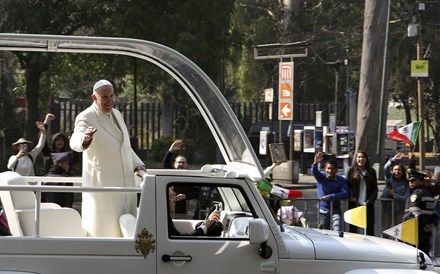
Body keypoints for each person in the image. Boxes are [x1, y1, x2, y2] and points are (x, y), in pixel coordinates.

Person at [69, 79, 146, 237]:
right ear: (94, 97)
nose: (109, 100)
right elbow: (75, 140)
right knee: (106, 233)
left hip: (126, 186)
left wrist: (138, 165)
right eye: (104, 97)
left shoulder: (117, 114)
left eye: (111, 96)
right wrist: (86, 139)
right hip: (105, 190)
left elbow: (124, 146)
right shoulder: (86, 116)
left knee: (128, 232)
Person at [403, 169, 437, 257]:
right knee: (424, 254)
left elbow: (415, 213)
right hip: (426, 230)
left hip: (415, 230)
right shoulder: (428, 194)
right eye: (410, 181)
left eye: (413, 180)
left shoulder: (416, 194)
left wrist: (424, 225)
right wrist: (430, 224)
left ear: (421, 181)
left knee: (412, 255)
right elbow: (433, 213)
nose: (411, 183)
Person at [312, 152, 349, 231]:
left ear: (336, 170)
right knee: (324, 232)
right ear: (325, 169)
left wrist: (331, 197)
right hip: (323, 211)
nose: (330, 171)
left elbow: (345, 193)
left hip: (335, 210)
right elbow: (314, 172)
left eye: (332, 169)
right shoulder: (321, 177)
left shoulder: (340, 180)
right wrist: (315, 163)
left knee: (337, 229)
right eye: (328, 168)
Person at [163, 139, 200, 219]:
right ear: (174, 164)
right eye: (179, 162)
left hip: (185, 211)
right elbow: (165, 164)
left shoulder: (190, 178)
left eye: (183, 162)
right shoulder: (170, 174)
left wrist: (185, 196)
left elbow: (196, 192)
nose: (181, 164)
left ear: (187, 165)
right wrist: (171, 151)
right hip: (168, 210)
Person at [346, 150, 378, 236]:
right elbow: (347, 186)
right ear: (356, 159)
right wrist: (352, 196)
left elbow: (375, 188)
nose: (361, 159)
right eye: (359, 157)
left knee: (369, 229)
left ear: (366, 159)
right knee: (353, 229)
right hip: (354, 204)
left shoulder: (371, 172)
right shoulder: (351, 171)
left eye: (363, 157)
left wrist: (370, 200)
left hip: (368, 205)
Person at [380, 152, 410, 237]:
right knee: (385, 230)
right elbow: (385, 167)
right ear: (392, 171)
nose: (397, 172)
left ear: (402, 172)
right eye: (395, 170)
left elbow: (406, 198)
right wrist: (393, 160)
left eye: (399, 170)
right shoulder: (389, 178)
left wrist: (395, 195)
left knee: (398, 231)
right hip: (387, 207)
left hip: (399, 209)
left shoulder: (406, 183)